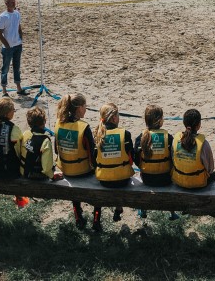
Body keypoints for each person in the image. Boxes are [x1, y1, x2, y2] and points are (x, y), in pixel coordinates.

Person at [55, 93, 94, 229]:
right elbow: (92, 156)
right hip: (83, 171)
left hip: (65, 170)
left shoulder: (59, 123)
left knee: (74, 186)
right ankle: (96, 219)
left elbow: (56, 149)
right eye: (85, 106)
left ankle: (77, 215)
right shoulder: (84, 127)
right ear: (78, 108)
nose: (86, 109)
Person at [92, 102, 132, 231]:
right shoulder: (125, 134)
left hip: (103, 180)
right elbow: (131, 160)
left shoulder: (97, 134)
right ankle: (118, 208)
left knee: (102, 183)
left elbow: (93, 160)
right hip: (123, 180)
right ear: (114, 118)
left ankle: (96, 218)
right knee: (118, 175)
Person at [0, 97, 29, 208]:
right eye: (13, 109)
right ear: (8, 113)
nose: (14, 111)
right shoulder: (13, 129)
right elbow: (19, 152)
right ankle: (19, 199)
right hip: (10, 171)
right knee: (14, 158)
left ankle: (18, 198)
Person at [135, 104, 177, 220]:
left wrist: (143, 166)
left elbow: (136, 158)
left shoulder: (141, 137)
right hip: (165, 178)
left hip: (147, 178)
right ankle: (172, 212)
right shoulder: (168, 137)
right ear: (160, 120)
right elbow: (174, 158)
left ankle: (143, 209)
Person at [172, 109, 215, 189]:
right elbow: (210, 168)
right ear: (199, 125)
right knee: (214, 175)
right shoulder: (203, 143)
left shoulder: (176, 139)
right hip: (198, 183)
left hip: (178, 180)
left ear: (184, 123)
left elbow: (172, 159)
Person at [18, 107, 63, 182]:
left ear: (29, 123)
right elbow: (46, 169)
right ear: (44, 122)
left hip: (23, 171)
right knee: (53, 166)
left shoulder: (25, 134)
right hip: (35, 175)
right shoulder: (45, 141)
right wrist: (52, 176)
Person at [0, 0, 26, 97]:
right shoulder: (2, 16)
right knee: (5, 68)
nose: (13, 3)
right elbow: (0, 34)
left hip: (17, 45)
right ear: (6, 4)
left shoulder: (17, 14)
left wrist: (21, 38)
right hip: (8, 47)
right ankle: (4, 89)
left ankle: (18, 88)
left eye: (14, 2)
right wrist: (7, 45)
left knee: (17, 67)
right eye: (10, 2)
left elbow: (19, 26)